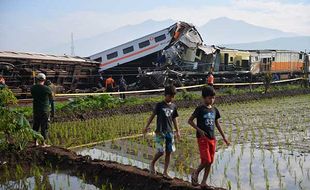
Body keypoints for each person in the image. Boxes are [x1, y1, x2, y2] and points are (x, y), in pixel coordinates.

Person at [188, 86, 230, 188]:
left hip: (212, 138)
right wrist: (199, 130)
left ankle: (203, 182)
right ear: (203, 98)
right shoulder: (200, 109)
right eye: (209, 98)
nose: (211, 100)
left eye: (213, 98)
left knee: (210, 161)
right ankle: (195, 172)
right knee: (206, 160)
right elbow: (190, 121)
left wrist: (224, 137)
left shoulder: (215, 110)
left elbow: (217, 124)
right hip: (202, 138)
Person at [143, 85, 181, 179]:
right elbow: (152, 116)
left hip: (170, 132)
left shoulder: (173, 106)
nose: (172, 98)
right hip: (160, 131)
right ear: (166, 95)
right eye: (170, 96)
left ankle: (165, 172)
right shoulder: (159, 105)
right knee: (161, 151)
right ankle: (152, 163)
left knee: (169, 152)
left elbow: (174, 119)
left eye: (173, 96)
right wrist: (146, 126)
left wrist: (178, 131)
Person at [31, 73, 54, 147]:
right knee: (44, 127)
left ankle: (35, 142)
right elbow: (51, 100)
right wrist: (52, 111)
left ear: (37, 79)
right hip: (45, 111)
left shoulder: (33, 88)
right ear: (44, 80)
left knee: (35, 126)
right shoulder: (47, 89)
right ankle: (43, 143)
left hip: (36, 110)